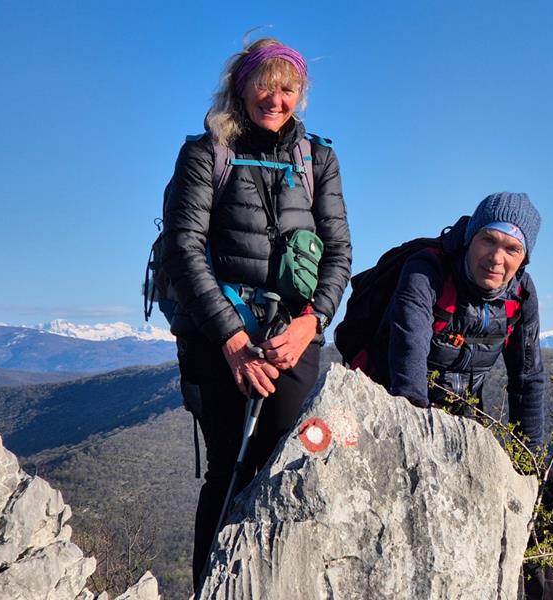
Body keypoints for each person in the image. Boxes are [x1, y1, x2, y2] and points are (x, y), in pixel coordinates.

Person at [161, 37, 351, 590]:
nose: (275, 98)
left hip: (293, 335)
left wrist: (311, 322)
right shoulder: (206, 153)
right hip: (218, 336)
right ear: (240, 87)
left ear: (300, 95)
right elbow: (183, 250)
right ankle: (212, 587)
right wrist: (232, 340)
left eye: (288, 88)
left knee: (286, 463)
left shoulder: (317, 159)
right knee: (229, 470)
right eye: (264, 85)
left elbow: (339, 252)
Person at [363, 192, 546, 449]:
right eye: (488, 240)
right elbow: (410, 343)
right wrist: (415, 425)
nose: (496, 258)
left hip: (462, 418)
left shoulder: (520, 294)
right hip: (387, 401)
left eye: (512, 249)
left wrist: (530, 458)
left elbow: (527, 377)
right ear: (470, 239)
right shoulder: (427, 270)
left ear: (523, 259)